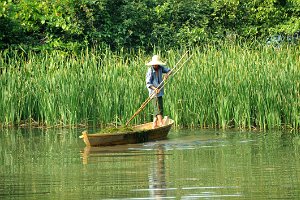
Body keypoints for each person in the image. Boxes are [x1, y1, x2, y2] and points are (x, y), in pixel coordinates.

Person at [146, 55, 172, 128]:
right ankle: (160, 122)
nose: (155, 65)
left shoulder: (161, 68)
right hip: (153, 92)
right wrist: (155, 88)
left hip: (160, 92)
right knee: (157, 107)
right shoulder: (150, 70)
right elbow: (148, 83)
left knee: (159, 107)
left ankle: (154, 123)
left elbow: (170, 71)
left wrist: (167, 74)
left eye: (156, 64)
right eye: (154, 64)